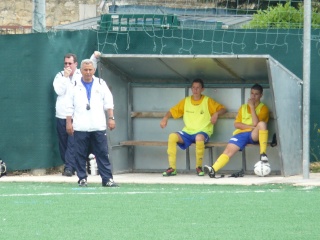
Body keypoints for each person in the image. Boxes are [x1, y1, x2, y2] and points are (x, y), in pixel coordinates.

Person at [66, 59, 118, 187]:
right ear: (81, 70)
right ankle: (82, 178)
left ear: (94, 70)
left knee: (102, 153)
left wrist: (111, 118)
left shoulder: (101, 84)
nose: (88, 72)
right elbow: (69, 106)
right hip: (80, 126)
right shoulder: (74, 84)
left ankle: (107, 179)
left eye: (90, 70)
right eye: (85, 70)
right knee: (80, 154)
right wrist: (69, 122)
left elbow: (109, 102)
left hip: (98, 125)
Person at [160, 78, 227, 176]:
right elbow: (172, 111)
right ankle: (172, 168)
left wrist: (216, 113)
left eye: (198, 88)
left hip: (203, 131)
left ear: (202, 89)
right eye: (193, 88)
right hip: (187, 132)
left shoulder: (207, 101)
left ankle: (198, 167)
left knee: (199, 137)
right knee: (172, 136)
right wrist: (165, 118)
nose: (195, 90)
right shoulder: (186, 101)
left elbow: (223, 109)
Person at [204, 83, 269, 178]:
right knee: (228, 150)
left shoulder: (263, 108)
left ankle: (263, 155)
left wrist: (251, 107)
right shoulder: (243, 107)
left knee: (262, 124)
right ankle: (213, 169)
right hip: (241, 134)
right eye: (252, 93)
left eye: (256, 94)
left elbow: (256, 123)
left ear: (261, 95)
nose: (253, 96)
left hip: (254, 134)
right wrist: (250, 127)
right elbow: (236, 124)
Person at [53, 51, 100, 176]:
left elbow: (90, 65)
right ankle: (70, 165)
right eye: (65, 63)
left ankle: (69, 167)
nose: (68, 66)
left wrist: (94, 56)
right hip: (61, 115)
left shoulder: (81, 74)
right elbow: (59, 90)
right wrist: (65, 78)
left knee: (72, 142)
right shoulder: (60, 76)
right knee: (63, 144)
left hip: (77, 115)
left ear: (76, 64)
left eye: (70, 63)